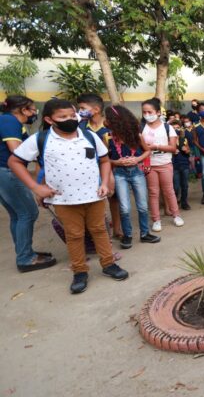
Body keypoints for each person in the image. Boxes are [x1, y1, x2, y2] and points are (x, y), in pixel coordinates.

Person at [9, 98, 130, 294]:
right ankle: (80, 271)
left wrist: (105, 183)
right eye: (62, 117)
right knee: (74, 236)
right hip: (64, 199)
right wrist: (35, 187)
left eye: (72, 115)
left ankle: (108, 265)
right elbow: (15, 161)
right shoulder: (41, 139)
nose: (70, 119)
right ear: (49, 120)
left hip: (94, 196)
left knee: (100, 230)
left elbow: (105, 160)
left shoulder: (89, 136)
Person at [0, 96, 56, 272]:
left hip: (4, 173)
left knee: (18, 214)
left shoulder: (8, 120)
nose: (34, 113)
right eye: (32, 110)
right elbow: (15, 149)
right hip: (7, 173)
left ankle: (25, 253)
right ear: (23, 110)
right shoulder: (9, 121)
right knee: (28, 213)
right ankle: (26, 258)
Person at [104, 105, 161, 249]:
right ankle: (127, 235)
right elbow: (104, 159)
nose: (106, 121)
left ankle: (144, 234)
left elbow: (147, 151)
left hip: (136, 172)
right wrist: (116, 162)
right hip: (119, 174)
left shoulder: (136, 135)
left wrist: (137, 159)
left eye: (109, 119)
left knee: (142, 205)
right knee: (124, 207)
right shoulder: (107, 137)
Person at [77, 93, 122, 239]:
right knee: (93, 203)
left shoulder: (111, 126)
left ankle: (117, 228)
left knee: (114, 199)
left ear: (96, 109)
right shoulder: (81, 127)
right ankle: (98, 232)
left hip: (111, 169)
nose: (80, 111)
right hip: (88, 170)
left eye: (83, 108)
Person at [141, 98, 184, 231]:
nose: (147, 115)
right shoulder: (141, 127)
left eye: (150, 112)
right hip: (149, 165)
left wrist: (156, 146)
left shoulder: (167, 127)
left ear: (158, 112)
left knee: (169, 191)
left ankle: (176, 215)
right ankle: (156, 220)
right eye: (144, 112)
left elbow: (173, 148)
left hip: (165, 163)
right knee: (153, 193)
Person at [171, 119, 193, 210]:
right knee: (175, 186)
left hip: (184, 164)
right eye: (174, 128)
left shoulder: (183, 139)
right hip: (174, 165)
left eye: (177, 128)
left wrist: (186, 150)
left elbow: (189, 151)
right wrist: (172, 151)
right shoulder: (168, 140)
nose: (176, 130)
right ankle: (174, 202)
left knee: (185, 185)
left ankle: (184, 202)